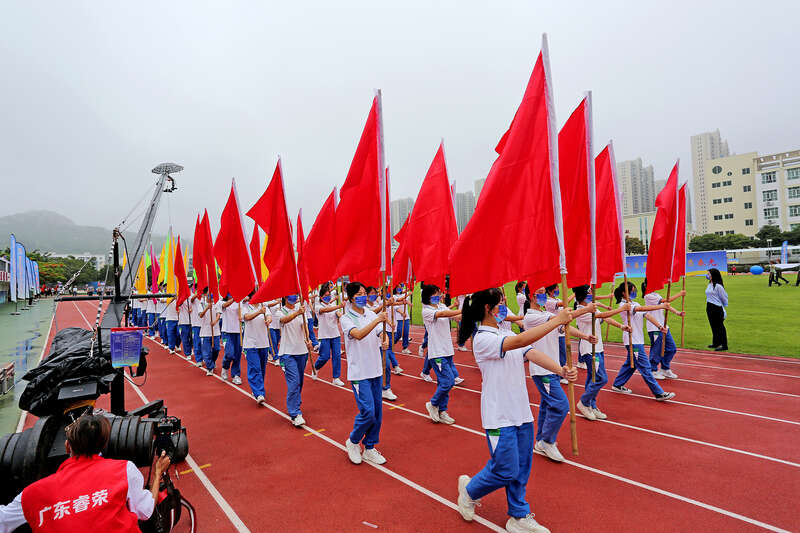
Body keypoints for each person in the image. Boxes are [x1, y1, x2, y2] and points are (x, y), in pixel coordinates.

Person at [455, 288, 577, 533]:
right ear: (488, 308)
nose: (506, 308)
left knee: (522, 467)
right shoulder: (483, 339)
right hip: (499, 415)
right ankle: (469, 491)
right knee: (505, 469)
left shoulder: (504, 331)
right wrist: (557, 321)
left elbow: (531, 352)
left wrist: (560, 370)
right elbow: (522, 341)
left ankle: (518, 515)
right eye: (501, 303)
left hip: (521, 411)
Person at [0, 414, 170, 533]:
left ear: (68, 446)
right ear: (103, 445)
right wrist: (157, 474)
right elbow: (145, 511)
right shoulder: (125, 470)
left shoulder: (31, 494)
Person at [524, 288, 596, 462]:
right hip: (543, 371)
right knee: (561, 405)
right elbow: (562, 319)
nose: (543, 295)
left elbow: (565, 328)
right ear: (531, 296)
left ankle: (541, 439)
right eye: (539, 292)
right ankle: (547, 440)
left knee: (547, 405)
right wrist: (586, 309)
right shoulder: (531, 317)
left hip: (554, 368)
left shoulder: (547, 314)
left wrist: (585, 336)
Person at [341, 282, 390, 466]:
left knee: (377, 412)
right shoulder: (346, 318)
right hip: (359, 372)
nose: (363, 296)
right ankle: (353, 441)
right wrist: (377, 320)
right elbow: (359, 334)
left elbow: (380, 333)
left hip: (375, 369)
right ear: (351, 297)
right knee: (368, 412)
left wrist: (384, 339)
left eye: (364, 293)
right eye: (359, 294)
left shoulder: (370, 313)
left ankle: (369, 447)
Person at [610, 281, 676, 401]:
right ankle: (659, 393)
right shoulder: (625, 306)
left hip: (637, 340)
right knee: (645, 367)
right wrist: (661, 306)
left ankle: (617, 384)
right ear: (624, 293)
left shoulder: (634, 302)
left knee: (631, 364)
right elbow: (642, 308)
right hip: (632, 340)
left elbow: (647, 315)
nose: (634, 293)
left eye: (635, 290)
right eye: (632, 291)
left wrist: (660, 327)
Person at [573, 285, 630, 421]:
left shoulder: (591, 307)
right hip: (589, 349)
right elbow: (601, 315)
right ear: (583, 295)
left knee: (592, 379)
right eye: (590, 292)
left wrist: (621, 326)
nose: (592, 294)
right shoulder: (582, 310)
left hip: (598, 348)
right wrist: (621, 309)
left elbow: (604, 318)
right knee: (601, 378)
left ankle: (591, 405)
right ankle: (584, 402)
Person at [421, 284, 462, 424]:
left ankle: (442, 410)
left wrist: (472, 313)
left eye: (438, 293)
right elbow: (444, 315)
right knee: (448, 381)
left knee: (443, 383)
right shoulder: (426, 310)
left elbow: (455, 317)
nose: (438, 296)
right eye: (435, 294)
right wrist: (462, 310)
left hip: (447, 350)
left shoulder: (441, 306)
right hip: (437, 352)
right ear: (427, 296)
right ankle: (433, 403)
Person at [279, 294, 314, 427]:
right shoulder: (279, 311)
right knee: (294, 382)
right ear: (285, 297)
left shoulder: (301, 311)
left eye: (295, 295)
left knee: (299, 382)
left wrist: (308, 339)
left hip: (302, 351)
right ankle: (295, 413)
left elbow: (304, 328)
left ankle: (295, 403)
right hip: (288, 352)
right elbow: (284, 320)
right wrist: (297, 312)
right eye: (291, 295)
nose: (294, 297)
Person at [642, 279, 686, 380]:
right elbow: (667, 301)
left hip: (664, 326)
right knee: (657, 350)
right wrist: (680, 293)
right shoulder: (648, 296)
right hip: (655, 328)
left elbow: (667, 306)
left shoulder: (656, 294)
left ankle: (665, 368)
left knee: (672, 348)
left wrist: (677, 313)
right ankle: (653, 370)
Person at [367, 287, 398, 401]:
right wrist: (384, 306)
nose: (373, 295)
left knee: (386, 363)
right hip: (368, 343)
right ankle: (373, 387)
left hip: (379, 339)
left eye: (375, 293)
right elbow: (372, 313)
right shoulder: (364, 308)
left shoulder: (377, 304)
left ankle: (385, 388)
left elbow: (382, 317)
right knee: (372, 366)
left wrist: (389, 323)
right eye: (371, 293)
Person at [313, 282, 346, 386]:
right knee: (325, 356)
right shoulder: (318, 306)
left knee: (337, 356)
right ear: (321, 296)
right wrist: (338, 307)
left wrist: (341, 315)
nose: (328, 297)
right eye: (325, 296)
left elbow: (337, 315)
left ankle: (336, 377)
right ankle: (316, 367)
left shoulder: (333, 305)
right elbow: (325, 310)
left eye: (329, 295)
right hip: (324, 335)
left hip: (335, 334)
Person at [241, 292, 271, 405]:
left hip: (263, 342)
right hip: (251, 343)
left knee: (262, 368)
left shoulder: (264, 306)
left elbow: (269, 316)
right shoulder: (245, 307)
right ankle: (259, 393)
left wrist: (268, 320)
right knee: (255, 368)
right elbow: (246, 317)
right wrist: (259, 312)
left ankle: (257, 389)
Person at [198, 291, 222, 376]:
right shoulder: (201, 304)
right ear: (206, 298)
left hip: (215, 332)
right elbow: (200, 315)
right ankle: (209, 367)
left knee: (217, 349)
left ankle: (212, 361)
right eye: (209, 297)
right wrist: (207, 308)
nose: (211, 299)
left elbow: (219, 315)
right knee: (206, 351)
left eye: (212, 297)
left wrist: (215, 322)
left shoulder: (217, 305)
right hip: (205, 332)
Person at [220, 294, 243, 384]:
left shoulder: (240, 302)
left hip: (238, 331)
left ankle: (236, 375)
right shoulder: (221, 302)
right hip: (227, 331)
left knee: (237, 355)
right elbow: (224, 306)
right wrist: (234, 299)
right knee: (229, 353)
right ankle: (225, 367)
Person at [705, 268, 729, 351]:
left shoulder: (718, 286)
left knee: (720, 327)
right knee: (713, 326)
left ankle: (724, 345)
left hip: (716, 307)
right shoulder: (710, 284)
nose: (707, 275)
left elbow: (724, 297)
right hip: (709, 307)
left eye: (709, 274)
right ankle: (716, 343)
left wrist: (723, 306)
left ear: (713, 275)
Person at [392, 283, 412, 354]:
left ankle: (405, 347)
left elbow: (406, 300)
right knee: (399, 333)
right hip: (398, 318)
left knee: (406, 333)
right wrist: (401, 313)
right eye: (398, 287)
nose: (399, 289)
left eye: (400, 287)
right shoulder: (394, 296)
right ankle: (391, 343)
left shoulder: (403, 295)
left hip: (406, 317)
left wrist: (409, 303)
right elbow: (399, 301)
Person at [189, 292, 204, 365]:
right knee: (197, 342)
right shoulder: (193, 297)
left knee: (205, 343)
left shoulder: (206, 298)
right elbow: (191, 300)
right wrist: (198, 293)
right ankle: (199, 360)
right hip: (196, 323)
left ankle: (207, 358)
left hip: (205, 324)